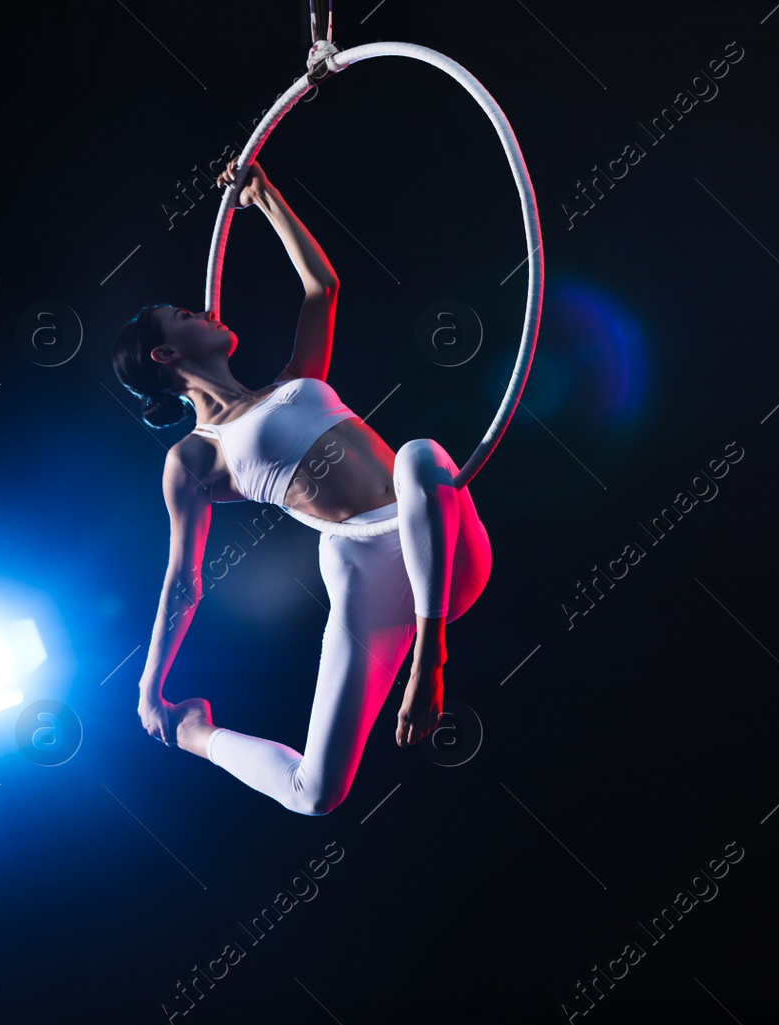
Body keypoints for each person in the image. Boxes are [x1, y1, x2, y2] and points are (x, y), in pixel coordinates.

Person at [111, 160, 493, 815]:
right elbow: (184, 579)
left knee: (421, 458)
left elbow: (322, 286)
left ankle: (430, 656)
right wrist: (152, 687)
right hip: (370, 566)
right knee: (314, 793)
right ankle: (196, 733)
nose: (201, 309)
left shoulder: (292, 381)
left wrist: (268, 199)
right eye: (182, 314)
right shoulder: (195, 458)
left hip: (442, 542)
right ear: (165, 356)